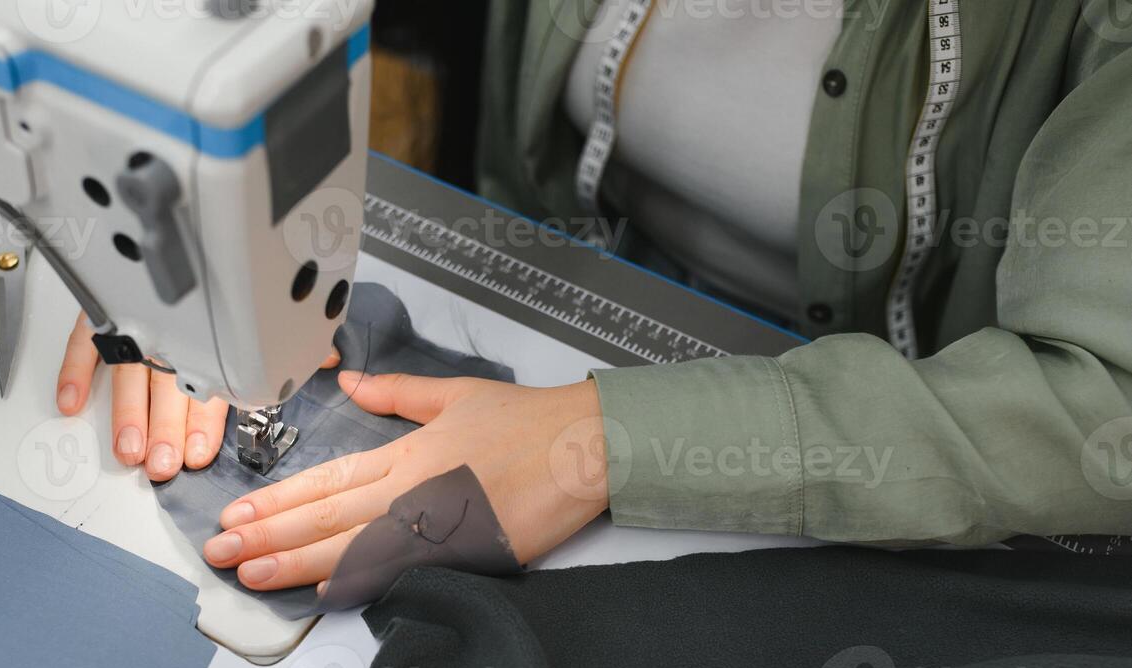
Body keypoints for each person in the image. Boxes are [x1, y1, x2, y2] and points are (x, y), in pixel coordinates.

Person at [56, 0, 1132, 594]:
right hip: (535, 292)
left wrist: (605, 441)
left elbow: (1105, 408)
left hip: (894, 475)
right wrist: (130, 178)